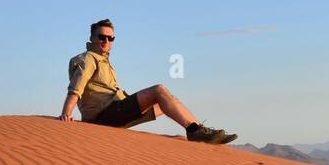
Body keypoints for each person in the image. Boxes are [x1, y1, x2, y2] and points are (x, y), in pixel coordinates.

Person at [59, 18, 238, 144]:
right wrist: (66, 112)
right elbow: (77, 87)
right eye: (102, 37)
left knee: (167, 101)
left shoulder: (105, 62)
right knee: (158, 90)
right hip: (103, 115)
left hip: (114, 114)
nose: (106, 41)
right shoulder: (89, 58)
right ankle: (195, 132)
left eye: (110, 37)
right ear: (92, 38)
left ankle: (199, 129)